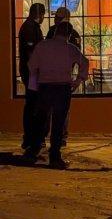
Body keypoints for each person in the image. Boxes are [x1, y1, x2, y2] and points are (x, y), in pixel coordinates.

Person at [25, 22, 89, 169]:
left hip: (45, 87)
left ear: (55, 32)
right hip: (63, 88)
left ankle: (33, 150)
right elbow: (84, 62)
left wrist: (35, 84)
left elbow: (32, 66)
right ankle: (54, 156)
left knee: (40, 119)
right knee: (59, 122)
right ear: (69, 34)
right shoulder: (70, 49)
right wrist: (79, 80)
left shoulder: (42, 46)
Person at [44, 7, 81, 146]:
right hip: (59, 76)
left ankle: (59, 137)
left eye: (58, 17)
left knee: (56, 108)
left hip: (58, 76)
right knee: (57, 108)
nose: (55, 19)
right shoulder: (59, 32)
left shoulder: (58, 32)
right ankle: (58, 137)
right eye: (56, 17)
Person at [18, 3, 46, 151]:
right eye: (43, 15)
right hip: (32, 74)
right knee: (33, 106)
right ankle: (31, 138)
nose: (43, 18)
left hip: (31, 72)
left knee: (32, 105)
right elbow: (31, 52)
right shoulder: (30, 28)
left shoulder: (30, 26)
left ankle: (31, 138)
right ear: (39, 14)